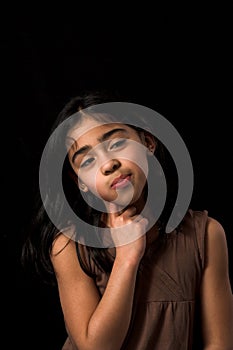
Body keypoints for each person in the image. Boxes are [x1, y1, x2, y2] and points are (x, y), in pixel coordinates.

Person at [21, 89, 233, 350]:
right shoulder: (69, 247)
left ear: (147, 143)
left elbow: (219, 343)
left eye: (117, 144)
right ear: (81, 183)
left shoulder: (206, 235)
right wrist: (127, 257)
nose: (108, 164)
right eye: (87, 160)